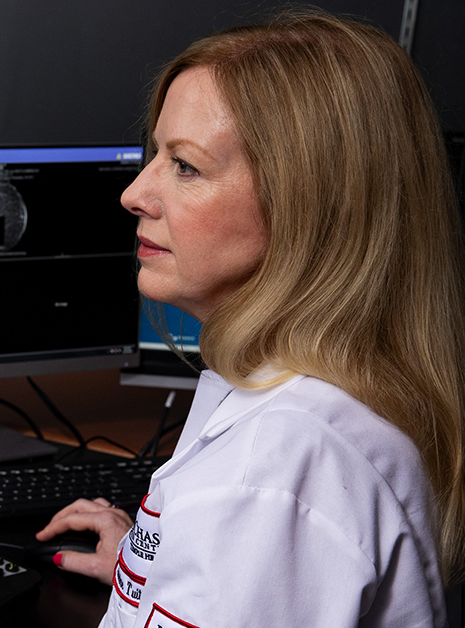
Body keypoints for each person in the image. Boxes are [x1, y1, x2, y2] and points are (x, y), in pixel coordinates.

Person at [36, 10, 465, 627]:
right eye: (157, 155)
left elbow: (269, 511)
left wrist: (228, 528)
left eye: (185, 166)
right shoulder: (323, 411)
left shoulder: (273, 473)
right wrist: (148, 562)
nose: (134, 193)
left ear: (307, 207)